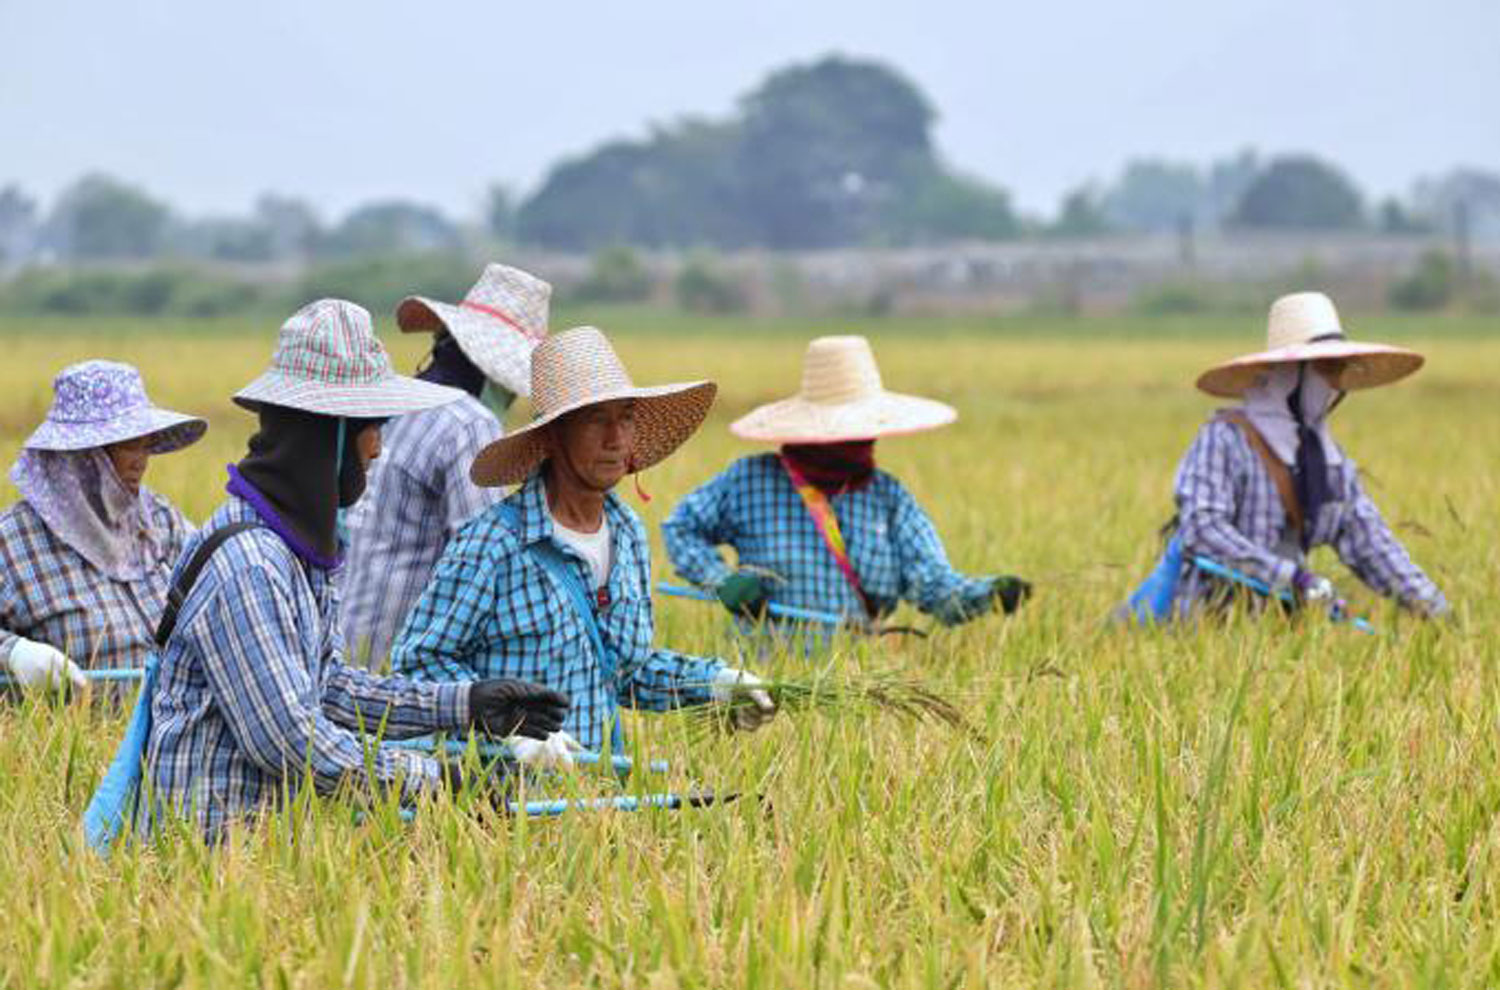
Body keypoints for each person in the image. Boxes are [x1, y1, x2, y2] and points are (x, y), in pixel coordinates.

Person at [137, 300, 568, 842]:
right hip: (211, 856)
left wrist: (465, 704)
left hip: (277, 846)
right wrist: (437, 779)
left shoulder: (292, 551)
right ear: (331, 434)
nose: (379, 448)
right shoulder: (250, 565)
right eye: (372, 428)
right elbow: (289, 740)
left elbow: (328, 689)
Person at [393, 326, 776, 753]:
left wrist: (715, 683)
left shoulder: (628, 534)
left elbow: (625, 671)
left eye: (625, 417)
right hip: (503, 801)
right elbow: (418, 663)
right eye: (596, 420)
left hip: (597, 793)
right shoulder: (495, 542)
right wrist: (511, 730)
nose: (615, 439)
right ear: (553, 436)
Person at [661, 335, 1031, 644]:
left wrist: (989, 595)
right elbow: (681, 527)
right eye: (843, 433)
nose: (857, 442)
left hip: (857, 672)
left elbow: (934, 586)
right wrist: (721, 580)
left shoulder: (887, 498)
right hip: (761, 671)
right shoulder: (750, 480)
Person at [1123, 291, 1448, 622]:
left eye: (1340, 370)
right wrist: (1292, 578)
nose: (1335, 384)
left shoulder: (1329, 461)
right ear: (1290, 371)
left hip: (1280, 627)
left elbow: (1373, 548)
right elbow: (1202, 530)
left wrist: (1435, 610)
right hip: (1202, 621)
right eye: (1327, 368)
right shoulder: (1225, 440)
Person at [340, 264, 551, 667]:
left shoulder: (386, 403)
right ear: (495, 373)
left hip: (336, 651)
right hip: (403, 671)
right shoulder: (470, 424)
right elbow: (485, 562)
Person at [0, 360, 204, 690]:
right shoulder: (14, 540)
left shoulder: (160, 521)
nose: (141, 460)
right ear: (80, 455)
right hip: (78, 734)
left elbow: (221, 589)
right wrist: (12, 652)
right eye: (127, 444)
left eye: (146, 443)